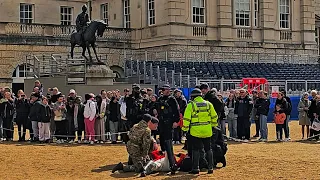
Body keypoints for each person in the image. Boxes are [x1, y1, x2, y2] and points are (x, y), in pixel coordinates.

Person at [182, 88, 218, 174]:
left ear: (193, 97)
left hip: (195, 131)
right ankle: (210, 167)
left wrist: (185, 129)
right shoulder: (208, 104)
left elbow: (186, 119)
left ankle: (196, 168)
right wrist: (212, 126)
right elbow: (214, 117)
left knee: (196, 150)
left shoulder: (191, 105)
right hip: (207, 130)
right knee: (208, 149)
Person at [156, 84, 180, 175]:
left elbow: (176, 111)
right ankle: (166, 163)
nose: (166, 91)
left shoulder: (172, 99)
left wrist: (176, 121)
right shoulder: (160, 99)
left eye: (168, 89)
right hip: (161, 125)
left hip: (169, 124)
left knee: (168, 144)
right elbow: (156, 109)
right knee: (163, 145)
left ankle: (172, 165)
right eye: (165, 89)